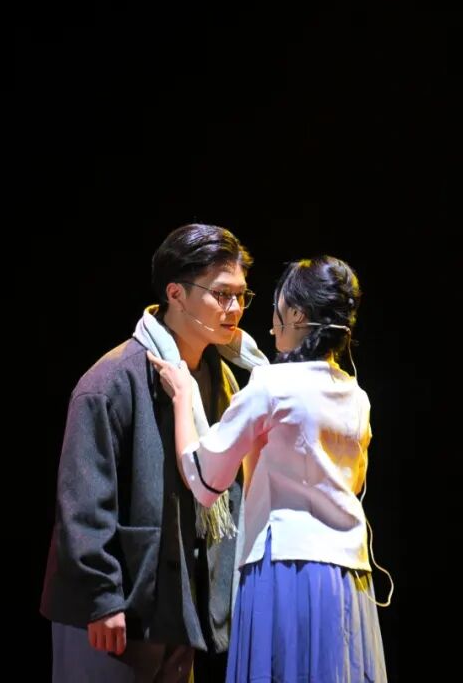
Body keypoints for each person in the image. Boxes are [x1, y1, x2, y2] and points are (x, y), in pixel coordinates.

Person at [41, 223, 270, 682]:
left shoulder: (224, 381)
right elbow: (83, 502)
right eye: (221, 294)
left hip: (179, 608)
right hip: (113, 611)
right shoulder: (112, 380)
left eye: (241, 296)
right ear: (176, 293)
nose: (234, 309)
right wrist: (103, 598)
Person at [148, 255, 389, 682]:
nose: (271, 324)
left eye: (277, 308)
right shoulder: (356, 395)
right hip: (347, 578)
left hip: (286, 570)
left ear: (295, 314)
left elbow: (204, 477)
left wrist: (184, 396)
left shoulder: (272, 386)